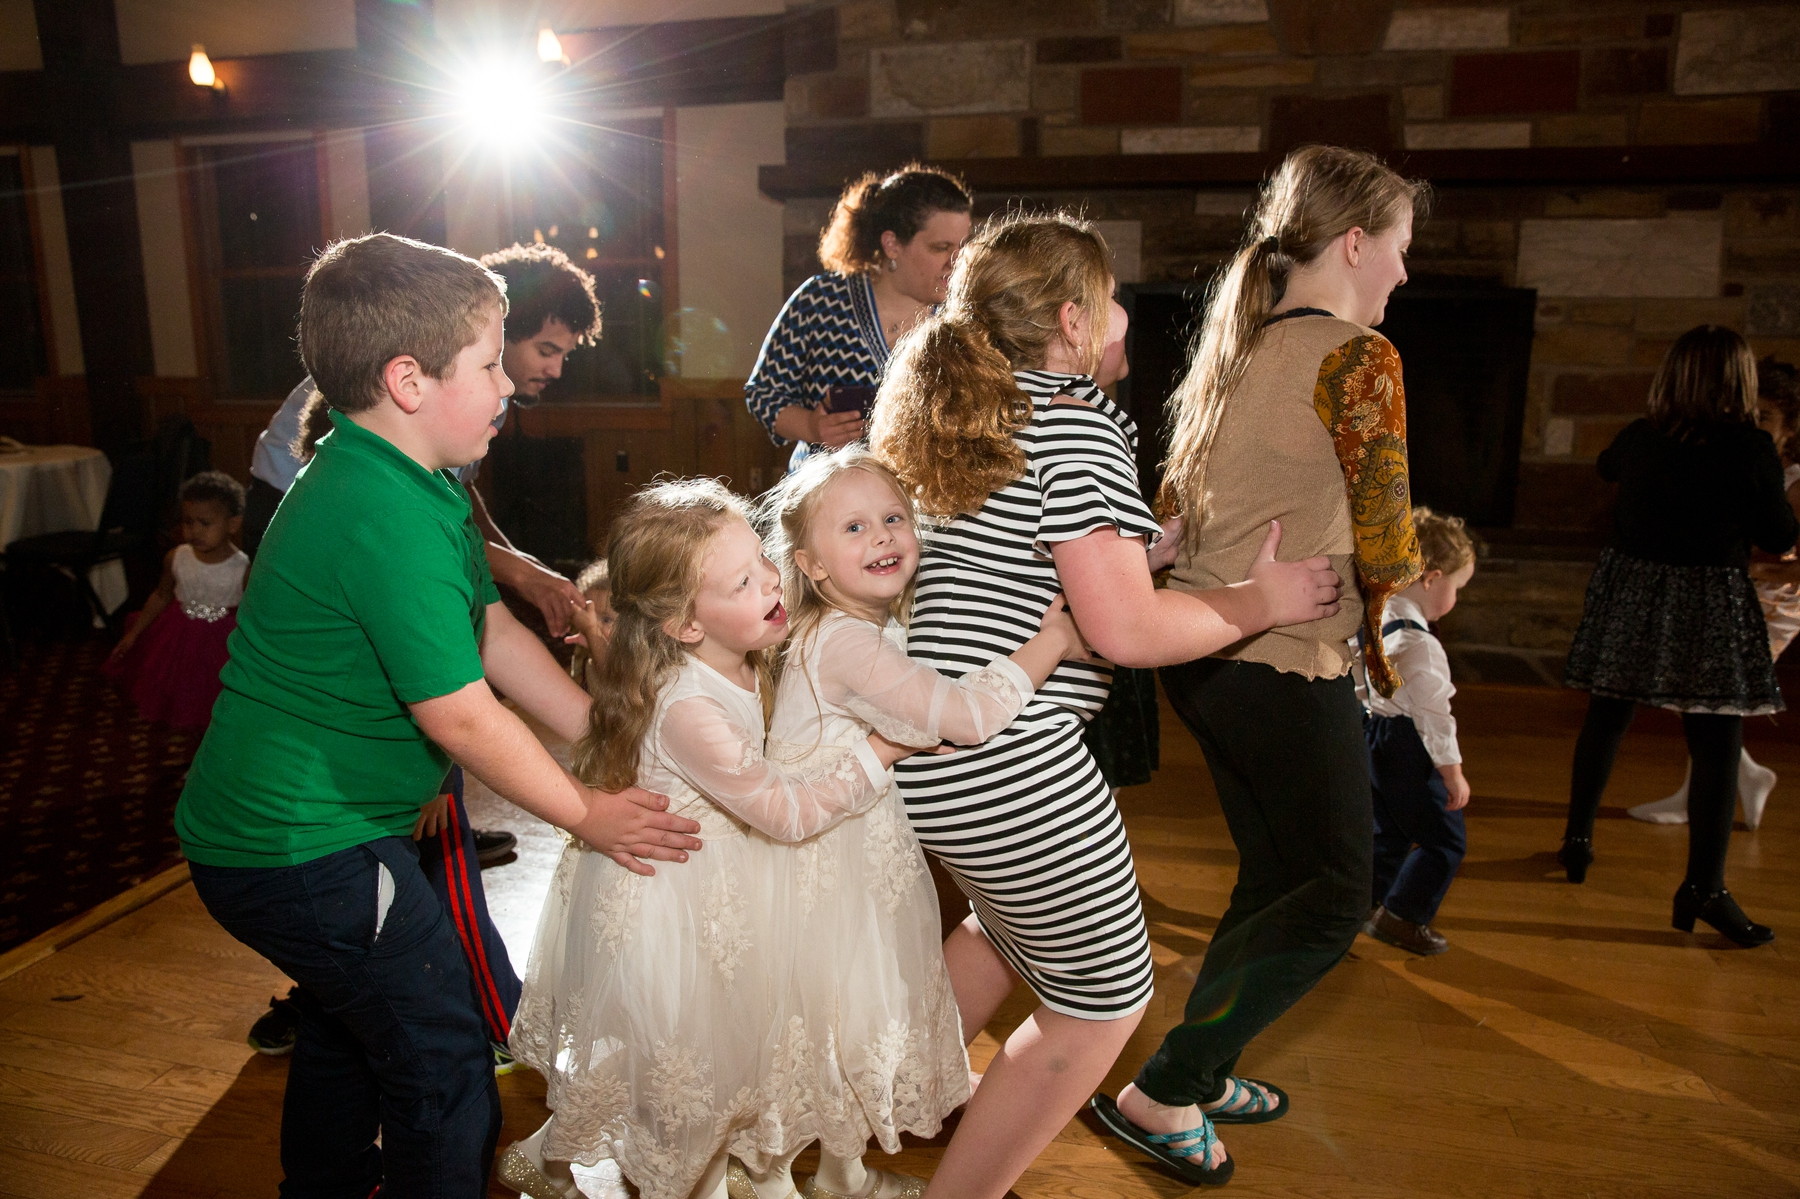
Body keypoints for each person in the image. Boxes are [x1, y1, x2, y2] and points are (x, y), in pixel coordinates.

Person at [176, 233, 703, 1199]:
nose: (510, 384)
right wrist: (589, 813)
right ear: (407, 380)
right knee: (447, 1053)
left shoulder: (420, 478)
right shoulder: (381, 513)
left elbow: (493, 629)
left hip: (311, 836)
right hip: (299, 849)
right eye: (491, 363)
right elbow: (461, 715)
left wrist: (604, 738)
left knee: (348, 1026)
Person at [867, 212, 1343, 1198]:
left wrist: (1140, 557)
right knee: (1101, 1003)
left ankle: (879, 1103)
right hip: (1012, 756)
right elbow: (1125, 634)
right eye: (1116, 296)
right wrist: (1264, 600)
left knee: (997, 931)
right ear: (1074, 322)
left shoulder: (966, 415)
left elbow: (1015, 563)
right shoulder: (1078, 418)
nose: (1128, 313)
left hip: (933, 752)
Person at [1102, 144, 1427, 1185]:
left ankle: (1205, 1060)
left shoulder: (1236, 344)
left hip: (1204, 654)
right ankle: (1168, 1085)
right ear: (1354, 243)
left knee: (1280, 873)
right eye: (1402, 250)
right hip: (1282, 652)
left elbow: (1180, 504)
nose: (1405, 275)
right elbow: (1387, 543)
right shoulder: (1360, 358)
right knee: (1339, 890)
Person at [501, 479, 931, 1199]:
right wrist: (881, 752)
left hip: (725, 893)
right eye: (743, 581)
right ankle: (572, 1164)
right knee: (689, 1079)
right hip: (676, 915)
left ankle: (555, 1156)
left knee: (714, 1068)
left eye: (764, 561)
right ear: (686, 626)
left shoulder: (743, 649)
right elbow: (785, 813)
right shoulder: (689, 707)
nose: (771, 581)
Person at [758, 446, 1091, 1199]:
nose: (883, 536)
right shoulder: (844, 639)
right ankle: (762, 1176)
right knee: (816, 1030)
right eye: (854, 527)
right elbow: (967, 717)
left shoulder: (862, 624)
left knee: (843, 1029)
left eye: (893, 517)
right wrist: (1055, 641)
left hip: (857, 854)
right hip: (828, 869)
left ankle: (837, 1173)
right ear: (810, 564)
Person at [1560, 326, 1796, 947]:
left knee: (1607, 716)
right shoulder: (1749, 448)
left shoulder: (1644, 436)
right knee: (1716, 741)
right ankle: (1704, 887)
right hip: (1707, 597)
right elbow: (1777, 534)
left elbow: (1606, 466)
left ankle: (1577, 838)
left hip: (1634, 588)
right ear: (1738, 381)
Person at [1630, 355, 1800, 831]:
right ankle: (1733, 779)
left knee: (1709, 696)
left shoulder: (1795, 482)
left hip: (1771, 607)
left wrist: (1748, 569)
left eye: (1766, 417)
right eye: (1750, 415)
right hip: (1731, 597)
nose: (1756, 426)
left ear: (1790, 425)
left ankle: (1713, 792)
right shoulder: (1748, 466)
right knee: (1700, 695)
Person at [745, 165, 972, 472]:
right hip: (824, 494)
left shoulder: (963, 317)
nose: (956, 262)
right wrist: (812, 428)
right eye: (940, 248)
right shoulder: (822, 299)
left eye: (962, 246)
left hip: (922, 500)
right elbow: (763, 393)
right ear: (892, 244)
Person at [1356, 507, 1477, 957]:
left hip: (1375, 736)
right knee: (1444, 840)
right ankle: (1403, 916)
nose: (1456, 598)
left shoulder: (1376, 613)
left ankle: (1361, 905)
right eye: (1457, 588)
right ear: (1431, 577)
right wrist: (1453, 774)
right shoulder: (1422, 647)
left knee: (1386, 829)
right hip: (1411, 745)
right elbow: (1435, 719)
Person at [103, 470, 248, 730]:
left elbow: (250, 612)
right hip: (176, 635)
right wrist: (134, 634)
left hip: (220, 642)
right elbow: (161, 595)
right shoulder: (176, 557)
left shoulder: (242, 567)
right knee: (175, 686)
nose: (194, 531)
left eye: (205, 523)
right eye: (188, 522)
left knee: (213, 694)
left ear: (233, 524)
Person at [566, 557, 616, 697]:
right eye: (589, 614)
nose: (593, 623)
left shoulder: (635, 657)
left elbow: (614, 677)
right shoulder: (587, 657)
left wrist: (591, 631)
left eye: (606, 619)